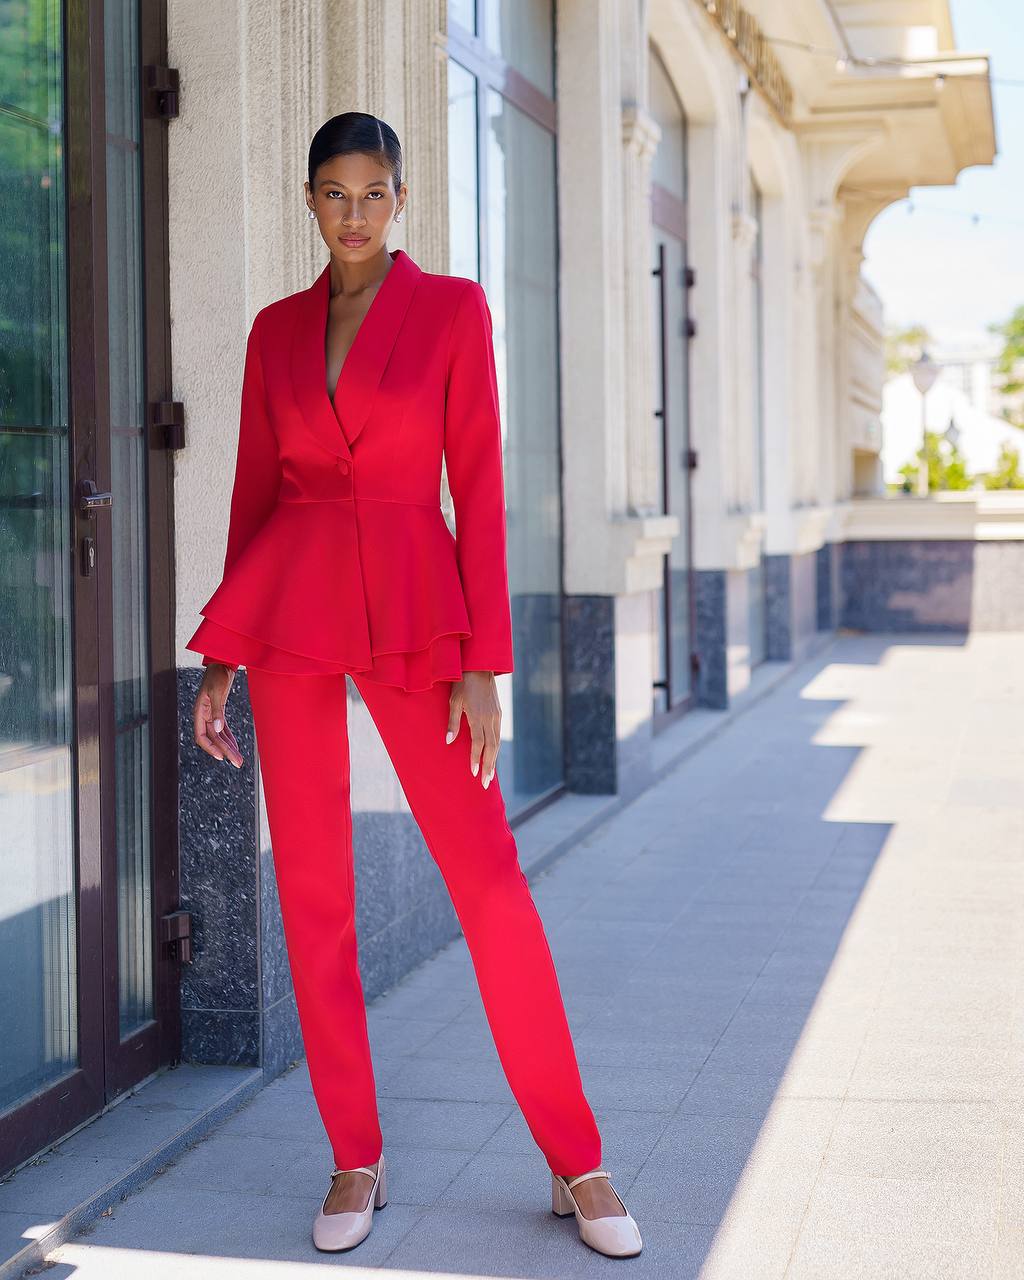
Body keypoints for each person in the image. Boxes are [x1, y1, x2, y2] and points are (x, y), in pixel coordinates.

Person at [187, 112, 642, 1259]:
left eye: (373, 193)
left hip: (417, 616)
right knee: (317, 897)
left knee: (490, 885)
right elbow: (252, 491)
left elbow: (478, 485)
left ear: (402, 200)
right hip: (288, 615)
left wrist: (485, 662)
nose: (353, 214)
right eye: (333, 194)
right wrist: (220, 657)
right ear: (309, 202)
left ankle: (574, 1155)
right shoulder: (272, 331)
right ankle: (355, 1154)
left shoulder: (450, 311)